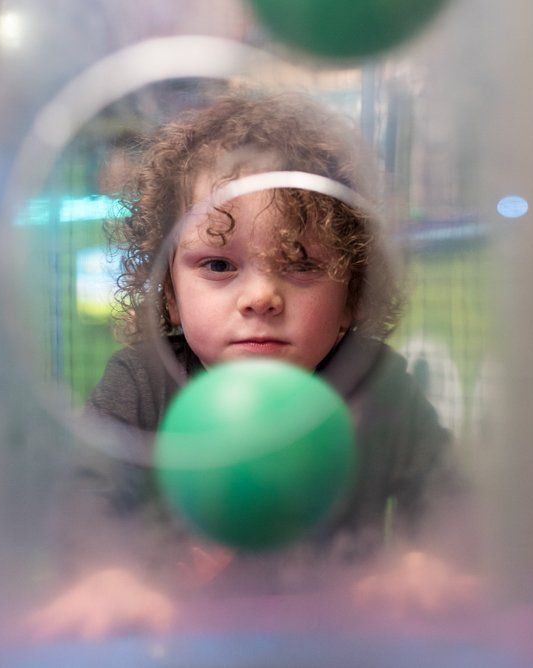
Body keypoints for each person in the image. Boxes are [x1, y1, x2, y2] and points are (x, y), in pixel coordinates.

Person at [28, 89, 479, 641]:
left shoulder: (375, 382)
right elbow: (86, 493)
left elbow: (446, 492)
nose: (261, 297)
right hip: (180, 642)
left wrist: (428, 559)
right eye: (218, 264)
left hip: (336, 644)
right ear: (168, 292)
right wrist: (107, 573)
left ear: (353, 294)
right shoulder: (144, 380)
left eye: (301, 264)